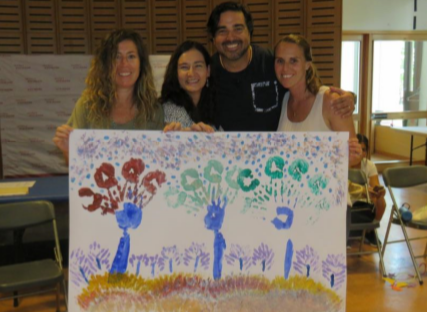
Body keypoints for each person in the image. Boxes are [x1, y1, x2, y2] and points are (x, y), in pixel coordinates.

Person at [207, 1, 355, 132]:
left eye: (238, 28)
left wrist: (349, 98)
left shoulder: (273, 64)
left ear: (250, 32)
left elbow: (308, 91)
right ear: (213, 38)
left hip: (274, 162)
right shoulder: (207, 73)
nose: (231, 37)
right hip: (228, 161)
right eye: (222, 31)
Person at [274, 34, 362, 244]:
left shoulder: (331, 101)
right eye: (280, 61)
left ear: (307, 65)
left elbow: (354, 157)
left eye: (293, 60)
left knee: (324, 277)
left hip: (328, 207)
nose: (286, 68)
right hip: (293, 209)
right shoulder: (284, 99)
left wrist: (352, 156)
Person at [53, 29, 164, 160]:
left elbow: (159, 161)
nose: (124, 64)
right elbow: (76, 162)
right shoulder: (87, 105)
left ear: (141, 64)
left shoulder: (154, 110)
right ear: (106, 64)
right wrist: (68, 150)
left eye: (131, 56)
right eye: (117, 57)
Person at [160, 40, 215, 133]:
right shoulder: (163, 110)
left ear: (208, 70)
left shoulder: (220, 103)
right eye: (184, 67)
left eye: (198, 66)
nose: (191, 73)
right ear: (176, 72)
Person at [352, 134, 386, 222]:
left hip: (365, 199)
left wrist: (379, 191)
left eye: (364, 150)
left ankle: (371, 228)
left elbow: (375, 187)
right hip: (350, 197)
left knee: (380, 200)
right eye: (358, 149)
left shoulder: (369, 165)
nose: (361, 152)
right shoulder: (343, 165)